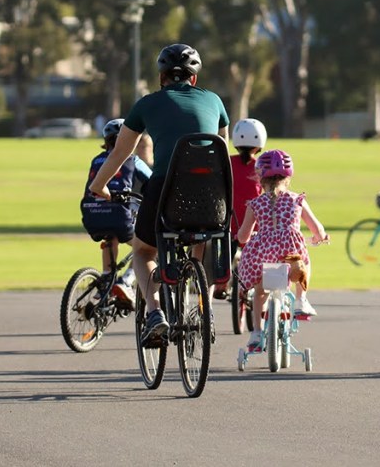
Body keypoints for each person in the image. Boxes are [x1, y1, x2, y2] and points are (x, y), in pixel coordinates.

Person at [88, 43, 229, 347]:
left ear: (161, 77)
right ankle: (200, 301)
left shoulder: (147, 104)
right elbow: (221, 152)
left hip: (166, 189)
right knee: (201, 234)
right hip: (212, 197)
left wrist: (98, 186)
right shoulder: (214, 101)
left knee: (143, 251)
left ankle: (155, 313)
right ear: (194, 78)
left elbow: (119, 154)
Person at [237, 150, 329, 349]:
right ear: (288, 178)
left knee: (260, 291)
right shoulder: (297, 200)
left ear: (260, 178)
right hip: (291, 255)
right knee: (304, 262)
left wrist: (242, 237)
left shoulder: (255, 204)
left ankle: (256, 333)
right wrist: (320, 237)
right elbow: (317, 229)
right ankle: (301, 300)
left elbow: (243, 236)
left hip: (263, 256)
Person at [80, 118, 152, 309]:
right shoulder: (132, 159)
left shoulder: (96, 159)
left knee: (110, 237)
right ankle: (126, 281)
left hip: (91, 212)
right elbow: (152, 181)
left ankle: (106, 279)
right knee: (146, 247)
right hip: (118, 213)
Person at [227, 118, 268, 299]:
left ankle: (221, 283)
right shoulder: (262, 167)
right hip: (253, 226)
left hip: (230, 223)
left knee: (225, 255)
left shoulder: (228, 163)